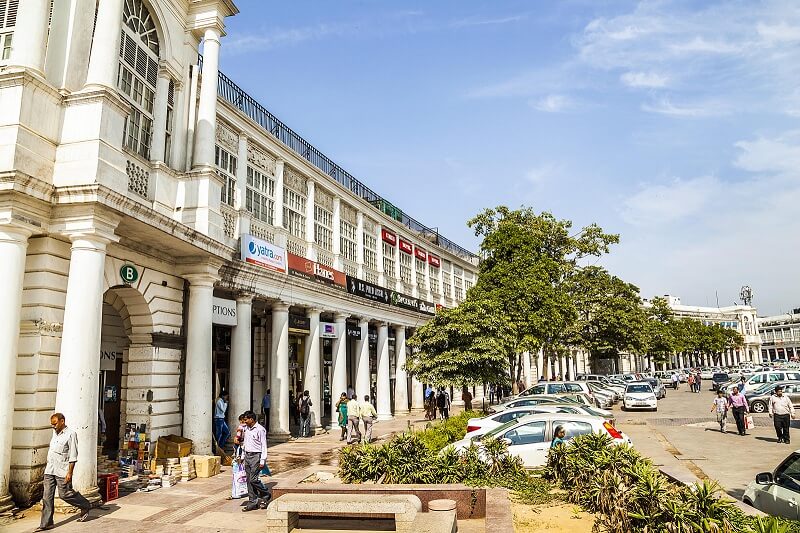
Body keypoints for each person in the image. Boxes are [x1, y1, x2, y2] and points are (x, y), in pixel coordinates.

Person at [37, 413, 91, 531]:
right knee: (47, 497)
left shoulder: (71, 434)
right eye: (52, 424)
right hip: (50, 470)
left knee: (64, 494)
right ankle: (46, 523)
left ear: (62, 421)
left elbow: (73, 456)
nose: (53, 426)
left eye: (55, 424)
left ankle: (85, 505)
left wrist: (69, 473)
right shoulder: (55, 434)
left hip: (62, 471)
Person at [241, 411, 271, 512]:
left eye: (246, 420)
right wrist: (242, 455)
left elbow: (263, 445)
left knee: (253, 479)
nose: (244, 422)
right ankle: (252, 502)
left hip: (256, 456)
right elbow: (245, 443)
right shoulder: (246, 429)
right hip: (247, 456)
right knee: (249, 481)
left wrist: (262, 460)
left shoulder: (260, 430)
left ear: (252, 419)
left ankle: (265, 494)